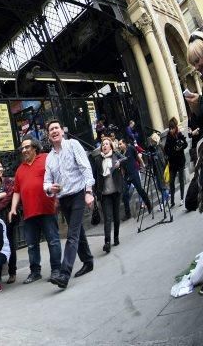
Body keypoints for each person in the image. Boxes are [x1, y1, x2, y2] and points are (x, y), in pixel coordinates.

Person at [43, 119, 95, 289]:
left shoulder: (73, 145)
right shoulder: (49, 158)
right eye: (51, 129)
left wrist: (88, 191)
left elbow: (85, 168)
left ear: (62, 131)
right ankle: (87, 261)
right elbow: (46, 183)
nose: (54, 131)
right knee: (77, 230)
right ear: (48, 135)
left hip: (79, 193)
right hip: (64, 198)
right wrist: (51, 188)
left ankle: (64, 274)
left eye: (56, 128)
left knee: (72, 234)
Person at [9, 135, 61, 284]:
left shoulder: (46, 158)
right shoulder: (20, 169)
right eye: (22, 148)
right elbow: (17, 191)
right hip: (29, 212)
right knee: (31, 245)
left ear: (35, 148)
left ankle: (56, 270)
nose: (24, 150)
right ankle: (35, 272)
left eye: (27, 147)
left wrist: (58, 197)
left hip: (47, 208)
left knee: (53, 241)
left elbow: (57, 176)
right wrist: (13, 209)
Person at [91, 137, 124, 253]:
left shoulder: (115, 155)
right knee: (107, 218)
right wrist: (94, 191)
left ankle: (116, 237)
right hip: (105, 194)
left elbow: (125, 159)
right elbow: (94, 176)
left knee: (116, 216)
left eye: (106, 144)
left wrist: (119, 163)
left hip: (116, 191)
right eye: (102, 145)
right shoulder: (98, 160)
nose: (104, 146)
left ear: (110, 146)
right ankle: (107, 242)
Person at [119, 137, 153, 218]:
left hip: (134, 173)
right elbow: (122, 167)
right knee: (124, 194)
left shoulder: (131, 148)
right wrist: (122, 176)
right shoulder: (120, 154)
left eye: (120, 144)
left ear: (124, 143)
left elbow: (138, 157)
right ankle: (128, 214)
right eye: (119, 144)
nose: (119, 145)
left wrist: (143, 166)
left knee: (140, 190)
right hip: (126, 176)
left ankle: (148, 205)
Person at [164, 117, 188, 207]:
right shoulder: (168, 136)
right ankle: (172, 202)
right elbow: (166, 149)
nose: (171, 130)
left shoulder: (179, 134)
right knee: (172, 182)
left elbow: (185, 144)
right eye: (170, 128)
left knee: (181, 180)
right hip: (172, 162)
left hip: (180, 160)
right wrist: (171, 151)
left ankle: (182, 199)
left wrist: (180, 146)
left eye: (172, 128)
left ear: (175, 127)